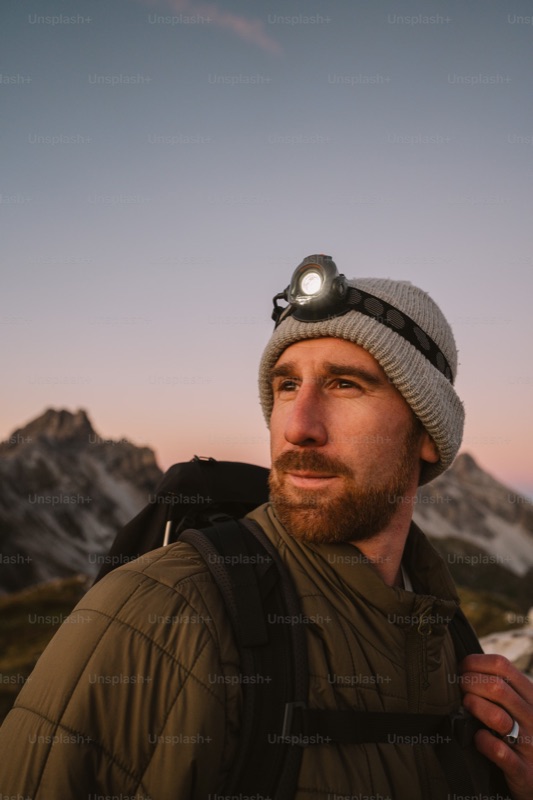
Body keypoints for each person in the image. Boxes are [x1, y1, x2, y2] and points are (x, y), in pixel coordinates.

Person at [0, 255, 531, 800]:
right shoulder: (157, 616)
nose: (298, 426)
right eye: (285, 387)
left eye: (345, 385)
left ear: (429, 434)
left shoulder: (449, 637)